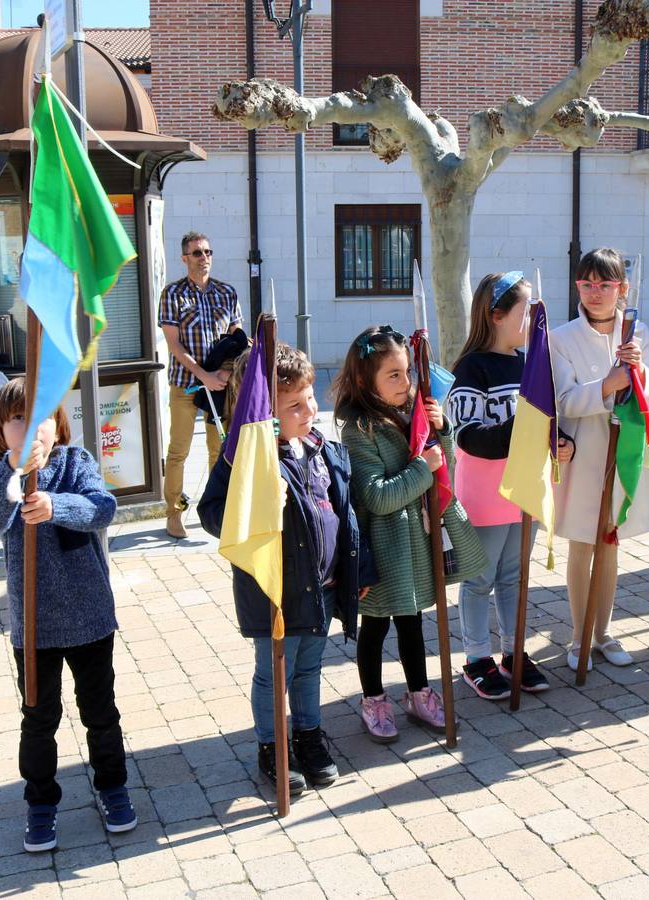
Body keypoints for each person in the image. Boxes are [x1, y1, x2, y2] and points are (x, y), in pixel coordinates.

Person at [199, 342, 375, 795]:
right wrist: (256, 504)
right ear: (264, 411)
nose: (310, 410)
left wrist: (361, 571)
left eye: (310, 397)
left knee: (309, 667)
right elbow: (213, 512)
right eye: (294, 404)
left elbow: (347, 513)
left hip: (323, 586)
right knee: (274, 670)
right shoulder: (244, 458)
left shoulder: (324, 450)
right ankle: (271, 745)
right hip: (273, 590)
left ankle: (310, 735)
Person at [0, 378, 137, 853]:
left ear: (58, 422)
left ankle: (112, 787)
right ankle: (41, 801)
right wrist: (11, 472)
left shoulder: (76, 462)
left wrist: (55, 506)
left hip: (89, 617)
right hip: (34, 626)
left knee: (100, 711)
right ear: (0, 431)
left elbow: (101, 509)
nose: (31, 429)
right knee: (38, 719)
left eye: (41, 417)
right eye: (18, 420)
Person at [333, 325, 486, 742]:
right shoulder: (358, 430)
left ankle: (418, 693)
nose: (405, 383)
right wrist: (424, 466)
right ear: (366, 381)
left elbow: (444, 469)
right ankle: (373, 698)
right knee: (376, 627)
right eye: (393, 375)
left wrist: (443, 431)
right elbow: (378, 497)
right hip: (382, 549)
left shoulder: (410, 413)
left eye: (407, 372)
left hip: (413, 543)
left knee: (413, 622)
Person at [448, 272, 573, 699]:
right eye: (527, 310)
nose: (536, 317)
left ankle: (514, 651)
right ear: (496, 315)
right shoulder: (472, 366)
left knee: (514, 577)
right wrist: (522, 430)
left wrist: (561, 442)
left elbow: (551, 420)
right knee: (480, 578)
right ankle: (476, 658)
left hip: (526, 490)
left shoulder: (531, 363)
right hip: (485, 493)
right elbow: (468, 435)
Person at [551, 249, 649, 670]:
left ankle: (603, 633)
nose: (595, 292)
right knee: (582, 543)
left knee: (609, 541)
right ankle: (578, 635)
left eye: (605, 284)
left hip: (625, 452)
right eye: (587, 284)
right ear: (577, 286)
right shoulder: (561, 338)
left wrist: (637, 375)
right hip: (584, 456)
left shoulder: (636, 332)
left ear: (623, 288)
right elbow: (563, 401)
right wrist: (607, 385)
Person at [159, 232, 243, 540]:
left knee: (217, 450)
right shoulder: (173, 294)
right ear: (185, 258)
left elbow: (235, 338)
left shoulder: (226, 292)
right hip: (185, 384)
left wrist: (223, 373)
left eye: (208, 251)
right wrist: (202, 375)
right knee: (178, 451)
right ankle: (174, 513)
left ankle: (215, 510)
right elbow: (174, 345)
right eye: (196, 253)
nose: (203, 257)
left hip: (220, 386)